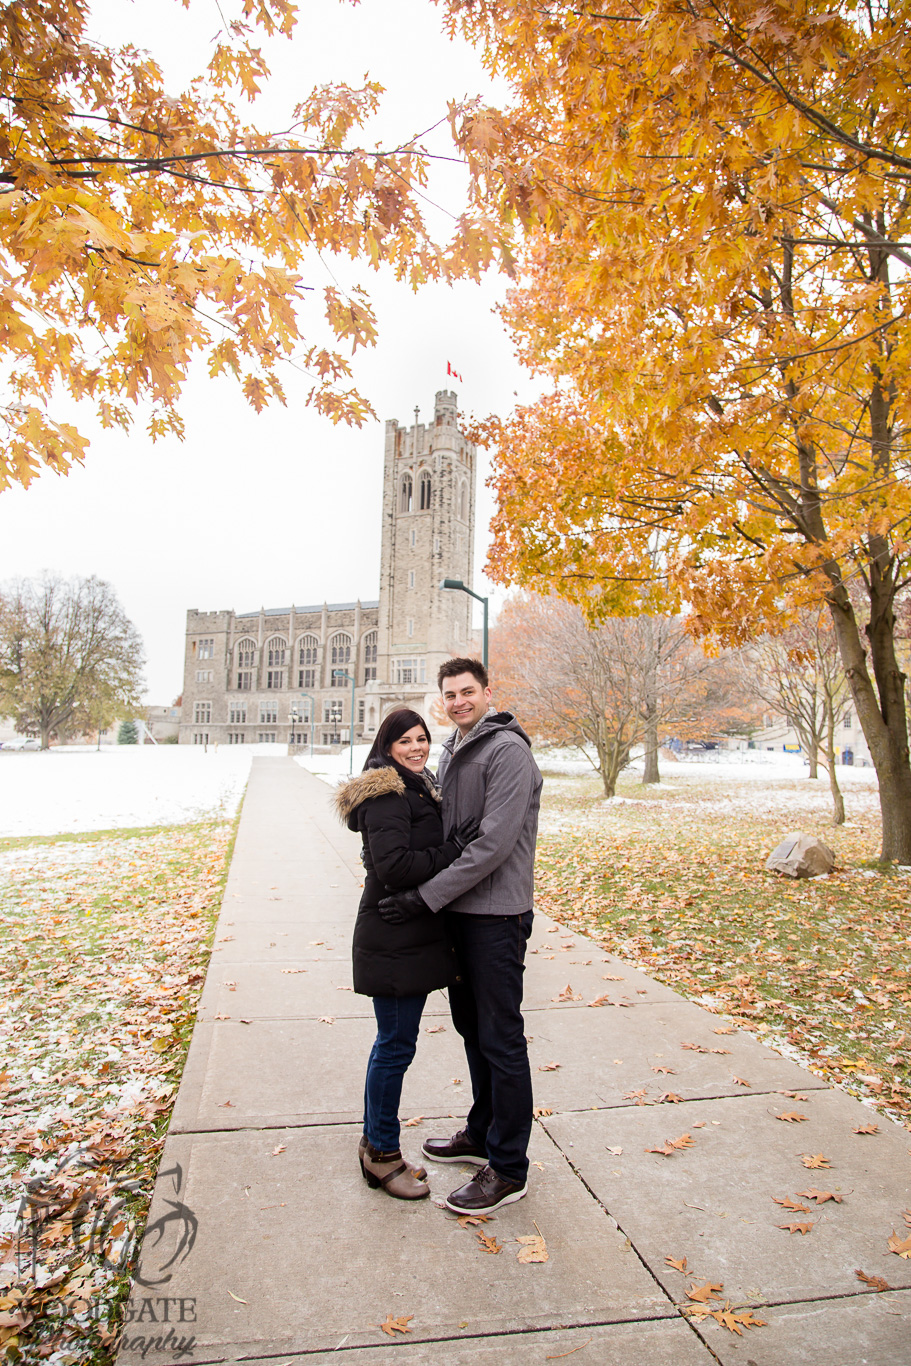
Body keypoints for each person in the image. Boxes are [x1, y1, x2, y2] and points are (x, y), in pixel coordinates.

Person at [378, 658, 542, 1214]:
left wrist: (424, 897)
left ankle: (510, 1167)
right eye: (449, 695)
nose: (457, 702)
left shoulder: (507, 752)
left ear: (488, 692)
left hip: (497, 916)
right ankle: (482, 1131)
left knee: (501, 1037)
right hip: (460, 913)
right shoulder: (453, 747)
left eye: (467, 692)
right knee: (473, 1029)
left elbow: (492, 845)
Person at [334, 707, 479, 1201]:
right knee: (394, 1047)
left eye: (422, 739)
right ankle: (380, 1153)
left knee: (395, 1046)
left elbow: (389, 856)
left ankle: (377, 1142)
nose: (416, 747)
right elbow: (395, 867)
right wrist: (453, 851)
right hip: (392, 935)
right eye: (405, 741)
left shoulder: (415, 786)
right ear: (387, 747)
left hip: (408, 934)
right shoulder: (387, 794)